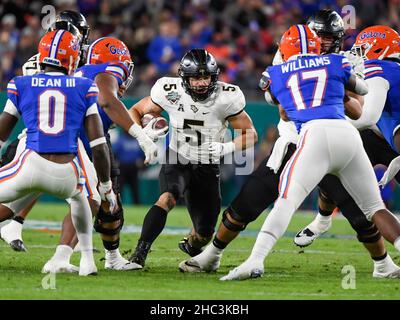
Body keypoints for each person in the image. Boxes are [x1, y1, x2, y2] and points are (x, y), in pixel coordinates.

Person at [179, 14, 400, 279]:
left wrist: (333, 91)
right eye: (320, 37)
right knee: (247, 204)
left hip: (318, 138)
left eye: (330, 37)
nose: (324, 42)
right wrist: (335, 88)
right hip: (297, 142)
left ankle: (382, 264)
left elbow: (355, 108)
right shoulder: (316, 60)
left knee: (356, 214)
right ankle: (212, 254)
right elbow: (288, 111)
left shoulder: (331, 61)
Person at [127, 49, 258, 267]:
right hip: (178, 157)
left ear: (214, 76)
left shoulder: (227, 97)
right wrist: (144, 138)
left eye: (205, 76)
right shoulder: (169, 90)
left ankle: (192, 244)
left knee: (204, 233)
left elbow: (251, 135)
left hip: (207, 165)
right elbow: (135, 111)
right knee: (167, 198)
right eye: (195, 77)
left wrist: (225, 148)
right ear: (184, 78)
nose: (200, 83)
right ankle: (139, 253)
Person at [0, 30, 115, 276]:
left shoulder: (22, 83)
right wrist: (106, 185)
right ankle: (86, 260)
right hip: (66, 171)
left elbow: (2, 132)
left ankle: (13, 227)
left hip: (29, 165)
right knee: (86, 198)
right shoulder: (85, 86)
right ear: (72, 58)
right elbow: (98, 144)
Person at [295, 25, 400, 248]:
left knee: (344, 176)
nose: (358, 53)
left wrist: (331, 123)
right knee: (334, 171)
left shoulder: (380, 68)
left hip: (382, 136)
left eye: (363, 48)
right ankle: (322, 220)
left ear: (378, 48)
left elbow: (367, 117)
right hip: (377, 137)